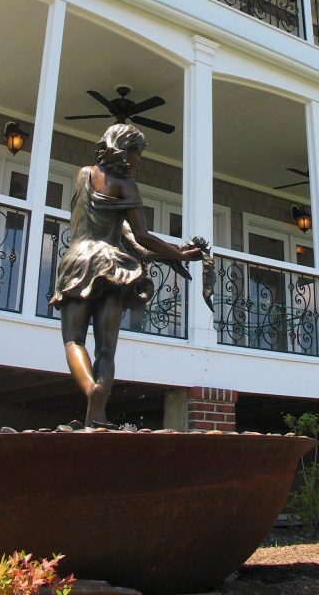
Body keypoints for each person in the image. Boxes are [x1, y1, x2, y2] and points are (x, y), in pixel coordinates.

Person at [50, 123, 205, 428]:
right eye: (137, 153)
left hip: (76, 261)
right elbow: (142, 236)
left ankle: (91, 391)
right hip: (111, 266)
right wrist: (180, 254)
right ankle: (98, 409)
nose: (138, 161)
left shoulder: (82, 175)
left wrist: (170, 252)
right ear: (123, 149)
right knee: (106, 350)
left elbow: (87, 222)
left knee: (73, 341)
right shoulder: (126, 186)